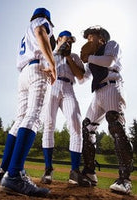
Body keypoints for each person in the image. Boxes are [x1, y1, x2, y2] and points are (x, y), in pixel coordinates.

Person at [0, 8, 56, 197]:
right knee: (33, 117)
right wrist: (52, 64)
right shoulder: (40, 23)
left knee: (20, 119)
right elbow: (40, 32)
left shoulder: (25, 31)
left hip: (23, 74)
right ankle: (14, 175)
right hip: (38, 69)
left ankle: (3, 170)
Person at [80, 25, 133, 194]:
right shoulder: (92, 58)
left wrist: (88, 57)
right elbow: (82, 78)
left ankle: (125, 180)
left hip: (112, 86)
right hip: (98, 93)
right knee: (88, 127)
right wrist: (70, 59)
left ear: (101, 36)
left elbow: (109, 61)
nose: (88, 40)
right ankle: (89, 173)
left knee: (115, 125)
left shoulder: (111, 45)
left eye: (91, 36)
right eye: (87, 37)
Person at [40, 30, 90, 187]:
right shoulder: (48, 53)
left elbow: (81, 77)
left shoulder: (74, 56)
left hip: (68, 88)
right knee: (48, 125)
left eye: (71, 41)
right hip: (52, 87)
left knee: (76, 124)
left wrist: (68, 56)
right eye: (66, 40)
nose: (68, 43)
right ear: (59, 39)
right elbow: (41, 71)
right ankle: (48, 170)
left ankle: (74, 172)